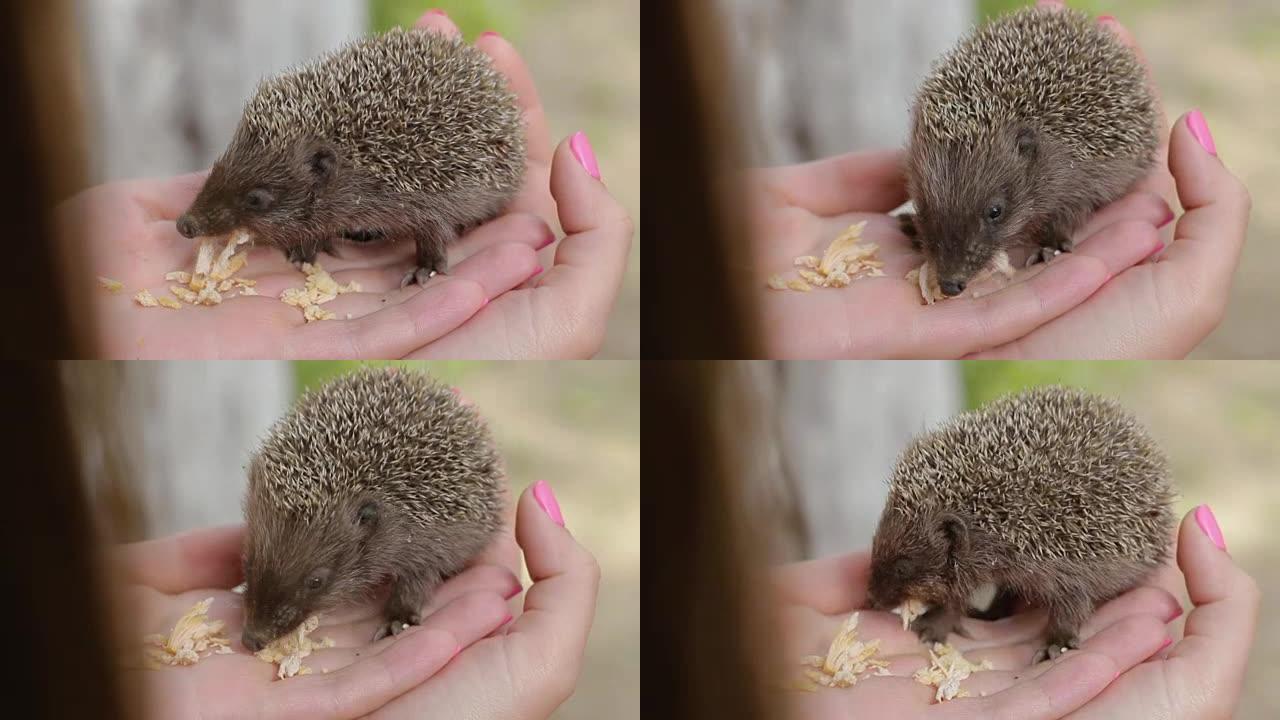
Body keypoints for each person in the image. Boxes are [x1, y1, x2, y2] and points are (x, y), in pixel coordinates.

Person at [646, 0, 1251, 359]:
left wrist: (1055, 229)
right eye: (934, 221)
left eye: (991, 216)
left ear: (1029, 154)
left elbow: (1091, 181)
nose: (953, 274)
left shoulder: (1064, 161)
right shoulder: (944, 157)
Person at [33, 6, 633, 359]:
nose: (196, 222)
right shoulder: (299, 167)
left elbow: (427, 218)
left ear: (323, 174)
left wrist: (430, 260)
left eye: (257, 200)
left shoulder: (375, 187)